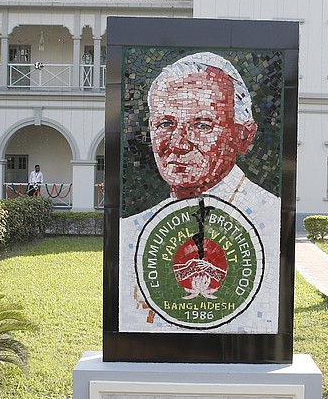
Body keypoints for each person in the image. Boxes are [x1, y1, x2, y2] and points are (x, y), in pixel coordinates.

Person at [119, 51, 280, 333]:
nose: (179, 143)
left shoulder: (273, 220)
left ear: (244, 136)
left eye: (202, 125)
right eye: (166, 124)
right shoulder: (130, 233)